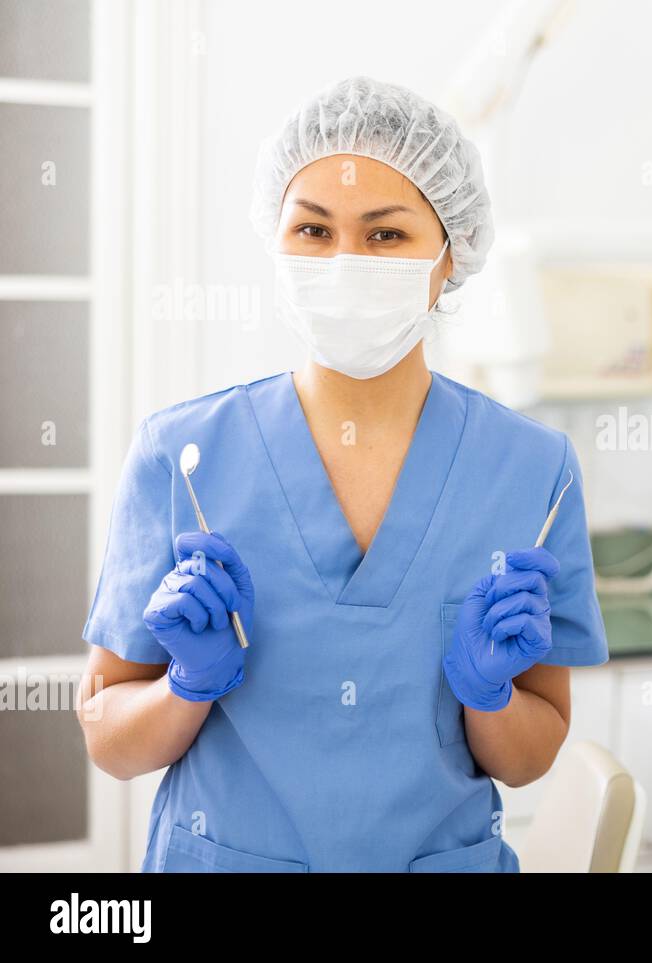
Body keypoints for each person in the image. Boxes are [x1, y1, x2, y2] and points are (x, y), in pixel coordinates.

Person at [75, 76, 607, 873]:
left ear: (450, 252)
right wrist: (188, 684)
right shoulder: (182, 456)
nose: (345, 261)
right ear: (276, 239)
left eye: (386, 236)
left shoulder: (532, 470)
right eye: (314, 230)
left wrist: (487, 695)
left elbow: (529, 758)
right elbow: (111, 744)